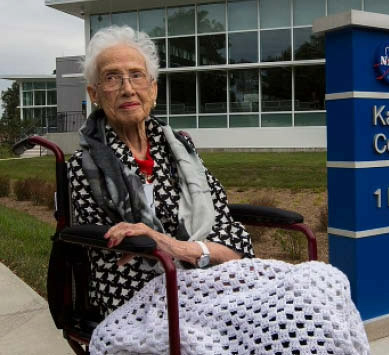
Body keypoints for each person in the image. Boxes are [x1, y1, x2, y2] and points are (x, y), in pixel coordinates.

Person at [69, 26, 369, 354]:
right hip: (152, 302)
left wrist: (177, 247)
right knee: (288, 327)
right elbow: (117, 273)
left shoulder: (181, 151)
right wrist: (197, 252)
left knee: (320, 290)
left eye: (137, 76)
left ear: (153, 90)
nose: (127, 88)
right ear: (94, 93)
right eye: (112, 78)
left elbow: (234, 241)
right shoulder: (87, 170)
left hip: (217, 280)